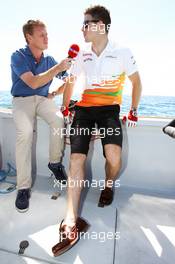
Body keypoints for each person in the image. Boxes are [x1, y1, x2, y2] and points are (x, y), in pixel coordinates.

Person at [52, 5, 142, 256]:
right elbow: (70, 82)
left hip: (109, 111)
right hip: (84, 111)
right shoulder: (81, 54)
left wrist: (133, 109)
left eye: (86, 24)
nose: (82, 29)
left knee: (114, 157)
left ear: (100, 25)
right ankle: (70, 220)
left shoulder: (122, 52)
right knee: (76, 161)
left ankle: (109, 184)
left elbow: (136, 82)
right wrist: (65, 108)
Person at [11, 19, 72, 213]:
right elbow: (33, 83)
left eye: (46, 33)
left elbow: (69, 80)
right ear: (29, 37)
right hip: (22, 100)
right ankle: (23, 188)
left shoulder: (49, 60)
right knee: (26, 133)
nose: (47, 37)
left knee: (58, 119)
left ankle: (54, 163)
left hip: (43, 99)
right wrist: (57, 69)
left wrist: (57, 92)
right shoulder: (18, 56)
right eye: (41, 34)